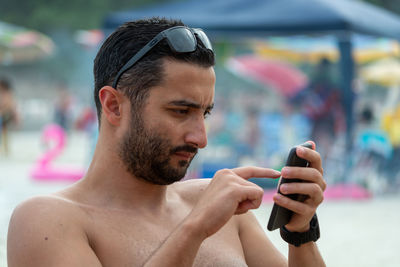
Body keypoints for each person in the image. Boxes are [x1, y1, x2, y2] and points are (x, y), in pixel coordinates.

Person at [7, 18, 326, 266]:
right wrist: (194, 230)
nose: (200, 138)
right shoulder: (48, 220)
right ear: (114, 106)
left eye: (205, 113)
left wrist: (301, 235)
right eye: (180, 110)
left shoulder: (218, 204)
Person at [0, 77, 19, 155]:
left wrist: (17, 120)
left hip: (6, 117)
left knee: (4, 131)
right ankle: (4, 149)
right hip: (3, 118)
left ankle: (5, 149)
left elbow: (13, 108)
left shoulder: (8, 95)